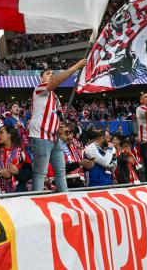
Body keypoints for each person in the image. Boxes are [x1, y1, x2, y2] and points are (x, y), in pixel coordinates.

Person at [30, 59, 86, 192]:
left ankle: (64, 198)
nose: (51, 75)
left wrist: (59, 126)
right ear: (41, 78)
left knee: (61, 171)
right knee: (40, 173)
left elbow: (53, 115)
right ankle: (35, 202)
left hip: (55, 137)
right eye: (48, 73)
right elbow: (56, 82)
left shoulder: (54, 96)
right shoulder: (39, 88)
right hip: (41, 136)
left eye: (52, 73)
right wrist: (75, 68)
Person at [0, 125, 28, 194]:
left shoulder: (21, 151)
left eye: (1, 132)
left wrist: (17, 173)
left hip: (18, 194)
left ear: (9, 135)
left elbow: (29, 172)